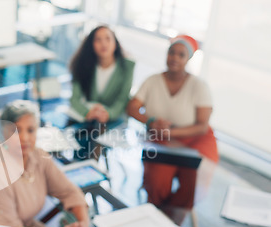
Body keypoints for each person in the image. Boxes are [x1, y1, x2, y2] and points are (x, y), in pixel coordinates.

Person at [0, 100, 93, 227]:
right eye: (16, 131)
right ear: (4, 131)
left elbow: (69, 192)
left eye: (30, 130)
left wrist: (83, 225)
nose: (24, 138)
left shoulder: (38, 156)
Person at [127, 35, 219, 211]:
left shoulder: (199, 86)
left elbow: (202, 126)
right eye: (172, 53)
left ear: (188, 58)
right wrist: (152, 122)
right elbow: (131, 108)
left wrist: (171, 133)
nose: (175, 58)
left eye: (181, 55)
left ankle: (174, 217)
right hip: (159, 140)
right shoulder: (152, 81)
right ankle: (157, 213)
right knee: (156, 180)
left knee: (193, 181)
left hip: (195, 141)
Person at [69, 25, 135, 124]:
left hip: (115, 120)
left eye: (108, 38)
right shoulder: (82, 64)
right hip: (90, 118)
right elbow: (74, 99)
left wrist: (108, 114)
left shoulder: (127, 66)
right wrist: (87, 113)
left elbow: (122, 100)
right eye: (98, 40)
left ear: (115, 43)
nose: (103, 43)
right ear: (91, 45)